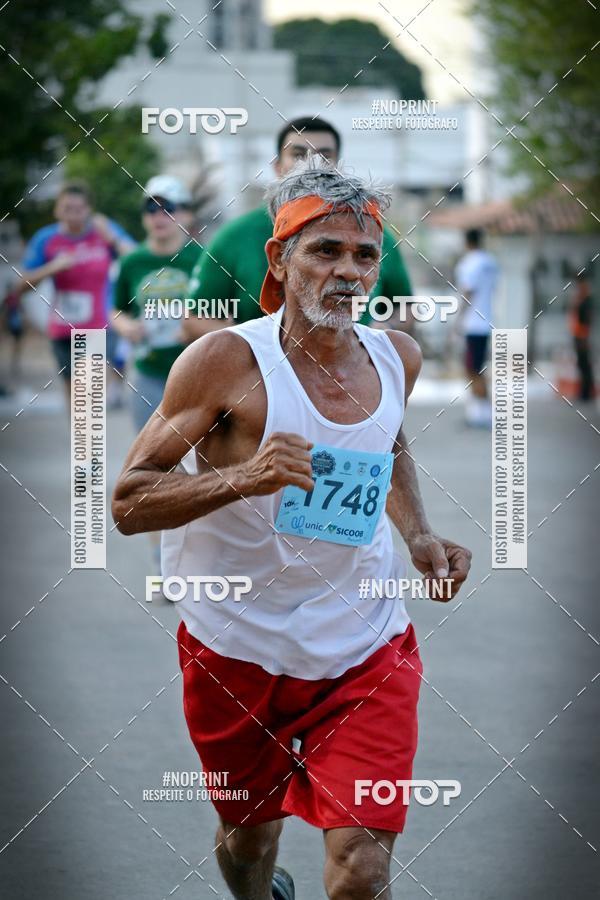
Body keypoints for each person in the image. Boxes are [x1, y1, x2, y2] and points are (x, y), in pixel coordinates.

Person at [112, 158, 471, 900]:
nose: (348, 271)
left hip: (365, 644)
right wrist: (248, 474)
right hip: (236, 645)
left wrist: (420, 536)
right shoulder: (224, 361)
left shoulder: (395, 356)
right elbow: (128, 501)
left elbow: (389, 445)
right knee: (250, 841)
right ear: (280, 259)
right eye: (325, 251)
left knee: (362, 869)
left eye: (364, 254)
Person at [188, 116, 415, 332]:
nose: (312, 164)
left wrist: (383, 331)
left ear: (338, 166)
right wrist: (253, 347)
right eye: (298, 154)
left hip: (352, 369)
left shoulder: (370, 234)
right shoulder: (235, 236)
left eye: (324, 156)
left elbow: (404, 306)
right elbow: (196, 318)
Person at [111, 174, 222, 432]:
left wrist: (196, 325)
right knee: (149, 459)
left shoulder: (205, 259)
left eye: (168, 208)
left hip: (197, 374)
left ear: (187, 215)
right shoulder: (132, 262)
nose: (158, 216)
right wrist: (126, 326)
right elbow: (116, 310)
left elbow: (227, 316)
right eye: (151, 208)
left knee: (194, 459)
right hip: (148, 372)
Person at [17, 180, 134, 402]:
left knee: (88, 398)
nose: (73, 216)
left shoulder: (103, 231)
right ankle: (80, 436)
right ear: (56, 210)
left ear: (89, 210)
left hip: (99, 327)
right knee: (74, 398)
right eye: (67, 209)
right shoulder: (46, 238)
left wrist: (112, 238)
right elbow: (21, 286)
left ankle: (90, 431)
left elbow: (137, 259)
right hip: (62, 329)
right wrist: (52, 267)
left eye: (79, 209)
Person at [455, 228, 498, 427]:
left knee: (472, 369)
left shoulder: (469, 263)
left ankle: (482, 414)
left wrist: (458, 319)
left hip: (473, 324)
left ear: (467, 242)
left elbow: (468, 292)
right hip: (486, 321)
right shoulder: (490, 262)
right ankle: (482, 412)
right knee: (477, 368)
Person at [568, 272, 595, 402]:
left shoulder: (586, 299)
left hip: (582, 336)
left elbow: (586, 320)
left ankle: (587, 393)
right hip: (578, 334)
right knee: (581, 364)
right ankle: (584, 391)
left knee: (585, 365)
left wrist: (584, 338)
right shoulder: (580, 298)